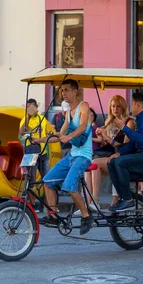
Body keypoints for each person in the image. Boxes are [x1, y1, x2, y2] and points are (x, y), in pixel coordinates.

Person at [40, 79, 94, 235]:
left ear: (75, 91)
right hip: (72, 156)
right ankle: (53, 216)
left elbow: (83, 126)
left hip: (83, 157)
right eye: (62, 90)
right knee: (47, 181)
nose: (63, 93)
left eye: (66, 90)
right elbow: (59, 135)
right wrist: (39, 140)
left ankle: (86, 215)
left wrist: (69, 137)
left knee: (69, 186)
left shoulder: (83, 106)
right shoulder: (68, 114)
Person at [106, 92, 143, 213]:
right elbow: (134, 142)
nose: (131, 106)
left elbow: (141, 138)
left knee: (120, 163)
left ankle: (128, 200)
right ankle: (123, 198)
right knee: (112, 162)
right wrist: (120, 153)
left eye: (132, 103)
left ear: (138, 105)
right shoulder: (141, 118)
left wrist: (124, 128)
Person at [87, 95, 136, 208]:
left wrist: (106, 137)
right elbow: (109, 144)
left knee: (94, 164)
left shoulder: (129, 123)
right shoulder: (110, 122)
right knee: (89, 166)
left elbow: (125, 144)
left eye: (118, 106)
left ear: (123, 107)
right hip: (112, 155)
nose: (115, 109)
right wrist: (102, 136)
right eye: (113, 106)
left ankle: (95, 200)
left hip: (124, 155)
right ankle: (88, 202)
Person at [19, 98, 53, 211]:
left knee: (47, 179)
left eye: (33, 106)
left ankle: (48, 205)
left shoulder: (42, 118)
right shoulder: (25, 119)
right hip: (31, 151)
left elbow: (47, 132)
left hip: (43, 151)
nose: (31, 109)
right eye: (28, 107)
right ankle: (32, 204)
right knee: (30, 179)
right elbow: (22, 131)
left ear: (37, 107)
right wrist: (28, 116)